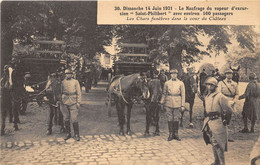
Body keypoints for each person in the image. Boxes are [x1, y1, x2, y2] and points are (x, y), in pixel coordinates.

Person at [202, 77, 233, 165]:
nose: (208, 87)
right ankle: (217, 161)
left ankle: (222, 163)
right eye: (207, 85)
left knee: (218, 144)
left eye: (210, 85)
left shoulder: (220, 96)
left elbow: (229, 110)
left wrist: (224, 120)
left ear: (215, 86)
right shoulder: (207, 96)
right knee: (212, 142)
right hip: (209, 121)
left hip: (218, 122)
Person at [160, 69, 185, 141]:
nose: (173, 75)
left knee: (176, 118)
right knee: (170, 118)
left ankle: (176, 134)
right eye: (172, 74)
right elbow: (164, 93)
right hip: (169, 101)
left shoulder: (181, 83)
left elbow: (183, 94)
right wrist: (162, 102)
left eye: (175, 74)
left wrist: (182, 105)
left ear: (177, 74)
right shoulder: (167, 83)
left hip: (177, 101)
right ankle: (170, 134)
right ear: (170, 75)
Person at [217, 68, 239, 142]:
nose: (229, 75)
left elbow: (237, 94)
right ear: (225, 75)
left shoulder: (235, 84)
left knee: (229, 119)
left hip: (231, 102)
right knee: (222, 118)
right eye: (228, 73)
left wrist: (234, 100)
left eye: (231, 74)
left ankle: (228, 136)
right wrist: (224, 100)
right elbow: (219, 93)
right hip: (223, 101)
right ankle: (220, 135)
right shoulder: (221, 83)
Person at [61, 69, 82, 141]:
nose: (68, 75)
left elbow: (79, 92)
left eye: (69, 74)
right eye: (66, 74)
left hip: (73, 101)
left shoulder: (75, 82)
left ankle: (76, 134)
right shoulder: (62, 82)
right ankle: (68, 133)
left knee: (74, 119)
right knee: (66, 118)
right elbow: (59, 92)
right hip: (64, 102)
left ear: (71, 74)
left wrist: (78, 102)